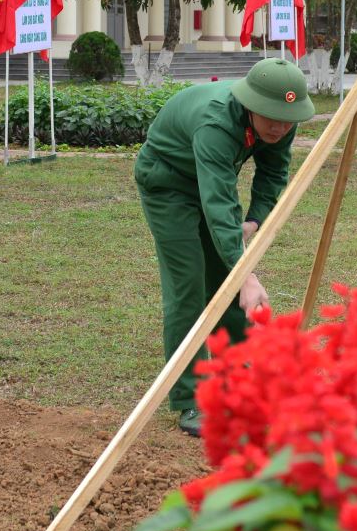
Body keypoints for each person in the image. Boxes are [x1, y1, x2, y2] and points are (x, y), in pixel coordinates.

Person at [133, 57, 314, 436]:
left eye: (287, 117)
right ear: (251, 107)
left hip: (210, 181)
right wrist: (246, 274)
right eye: (271, 117)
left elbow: (273, 173)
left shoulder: (281, 121)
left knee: (226, 285)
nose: (280, 126)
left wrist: (254, 220)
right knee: (189, 286)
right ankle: (191, 398)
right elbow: (218, 206)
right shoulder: (217, 123)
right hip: (168, 182)